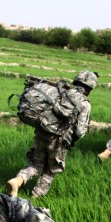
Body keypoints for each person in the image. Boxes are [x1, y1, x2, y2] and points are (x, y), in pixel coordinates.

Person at [6, 70, 98, 198]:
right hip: (58, 140)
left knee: (35, 164)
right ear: (89, 89)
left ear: (75, 81)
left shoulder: (61, 92)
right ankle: (35, 196)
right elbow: (80, 131)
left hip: (41, 132)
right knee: (52, 169)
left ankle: (17, 180)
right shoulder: (84, 104)